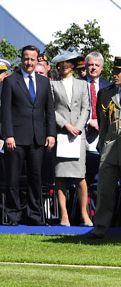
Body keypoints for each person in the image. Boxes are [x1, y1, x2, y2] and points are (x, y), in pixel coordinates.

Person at [0, 45, 56, 225]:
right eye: (26, 58)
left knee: (36, 179)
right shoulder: (10, 81)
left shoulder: (44, 82)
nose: (29, 62)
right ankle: (14, 215)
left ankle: (35, 216)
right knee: (13, 179)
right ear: (21, 59)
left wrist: (51, 134)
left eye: (32, 59)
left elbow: (50, 110)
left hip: (38, 138)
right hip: (15, 138)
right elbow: (5, 110)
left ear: (37, 60)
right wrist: (8, 134)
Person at [49, 50, 92, 226]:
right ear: (58, 65)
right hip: (61, 135)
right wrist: (66, 125)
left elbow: (86, 109)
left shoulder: (82, 85)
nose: (65, 65)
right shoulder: (52, 85)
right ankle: (64, 215)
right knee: (60, 177)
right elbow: (50, 110)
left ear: (73, 65)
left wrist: (78, 128)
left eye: (68, 63)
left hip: (77, 137)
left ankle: (85, 215)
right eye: (62, 63)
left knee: (80, 177)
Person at [85, 59, 121, 240]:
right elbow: (103, 122)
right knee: (105, 190)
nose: (115, 74)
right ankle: (100, 227)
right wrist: (103, 144)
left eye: (119, 71)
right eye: (115, 70)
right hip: (110, 148)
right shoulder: (105, 94)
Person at [84, 51, 109, 151]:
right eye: (90, 65)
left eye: (97, 65)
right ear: (86, 67)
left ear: (101, 68)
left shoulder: (109, 86)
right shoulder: (77, 84)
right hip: (81, 133)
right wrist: (89, 121)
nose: (94, 68)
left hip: (102, 134)